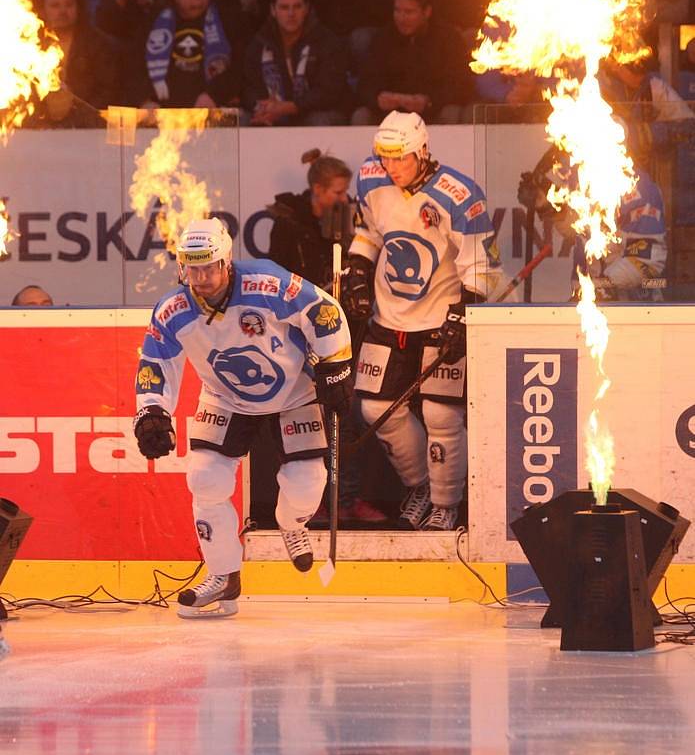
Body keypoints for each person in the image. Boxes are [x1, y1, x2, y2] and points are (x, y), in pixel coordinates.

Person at [133, 217, 352, 618]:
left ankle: (291, 524)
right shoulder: (172, 310)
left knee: (308, 484)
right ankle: (223, 578)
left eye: (208, 266)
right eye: (191, 267)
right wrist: (151, 410)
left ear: (227, 262)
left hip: (294, 393)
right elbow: (155, 364)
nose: (200, 277)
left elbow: (324, 311)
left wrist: (336, 365)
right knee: (205, 478)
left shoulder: (266, 282)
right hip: (223, 398)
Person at [343, 111, 502, 531]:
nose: (392, 167)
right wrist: (358, 273)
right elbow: (370, 233)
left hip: (439, 316)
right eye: (385, 157)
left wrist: (463, 314)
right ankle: (420, 487)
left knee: (441, 414)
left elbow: (482, 266)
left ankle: (446, 502)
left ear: (422, 150)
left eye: (401, 158)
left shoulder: (459, 193)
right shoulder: (370, 178)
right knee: (376, 407)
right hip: (389, 316)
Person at [267, 149, 388, 524]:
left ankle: (348, 499)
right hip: (298, 339)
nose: (344, 197)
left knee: (347, 415)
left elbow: (356, 271)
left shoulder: (347, 222)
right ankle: (310, 503)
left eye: (346, 191)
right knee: (307, 421)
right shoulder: (287, 224)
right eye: (337, 191)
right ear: (318, 190)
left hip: (340, 335)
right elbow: (278, 283)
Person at [517, 138, 668, 302]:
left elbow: (648, 259)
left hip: (633, 308)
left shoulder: (638, 187)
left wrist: (603, 285)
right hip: (587, 298)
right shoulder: (584, 178)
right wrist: (547, 206)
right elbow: (575, 231)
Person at [351, 0, 472, 126]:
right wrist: (377, 99)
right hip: (389, 113)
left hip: (432, 111)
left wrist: (429, 101)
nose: (401, 18)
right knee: (361, 115)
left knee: (452, 112)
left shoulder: (448, 38)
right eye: (397, 11)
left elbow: (461, 85)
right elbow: (365, 83)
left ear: (426, 12)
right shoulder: (383, 38)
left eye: (409, 12)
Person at [241, 0, 350, 126]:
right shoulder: (260, 42)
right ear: (273, 10)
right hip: (272, 113)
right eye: (284, 7)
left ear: (306, 9)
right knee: (242, 120)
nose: (291, 14)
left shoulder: (326, 41)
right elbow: (248, 88)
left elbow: (329, 92)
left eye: (297, 7)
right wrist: (262, 108)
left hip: (316, 112)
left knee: (319, 121)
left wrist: (289, 107)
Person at [126, 0, 243, 109]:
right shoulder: (151, 24)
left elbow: (243, 67)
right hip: (163, 119)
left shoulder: (229, 20)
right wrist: (144, 101)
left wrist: (215, 95)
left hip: (219, 116)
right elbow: (132, 70)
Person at [31, 0, 121, 127]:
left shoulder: (99, 44)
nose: (63, 11)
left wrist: (74, 111)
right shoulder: (28, 45)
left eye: (69, 4)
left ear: (78, 6)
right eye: (55, 6)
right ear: (43, 9)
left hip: (87, 130)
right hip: (37, 130)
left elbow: (110, 91)